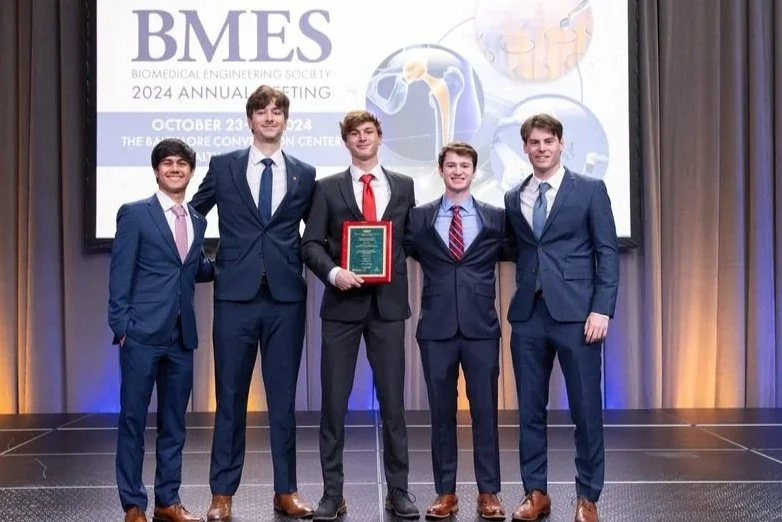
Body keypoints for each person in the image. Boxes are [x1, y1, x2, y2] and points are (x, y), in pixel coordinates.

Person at [189, 85, 316, 520]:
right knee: (229, 398)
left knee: (283, 400)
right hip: (234, 298)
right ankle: (222, 494)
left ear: (285, 120)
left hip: (285, 300)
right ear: (250, 119)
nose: (269, 117)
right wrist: (204, 265)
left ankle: (286, 490)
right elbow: (192, 214)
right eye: (261, 111)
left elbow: (315, 234)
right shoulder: (224, 166)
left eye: (277, 111)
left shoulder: (304, 172)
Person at [302, 110, 419, 521]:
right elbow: (311, 244)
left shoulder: (403, 186)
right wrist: (334, 272)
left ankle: (399, 491)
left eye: (369, 132)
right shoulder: (327, 188)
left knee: (393, 406)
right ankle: (333, 494)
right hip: (341, 308)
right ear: (346, 142)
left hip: (387, 308)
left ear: (379, 137)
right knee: (333, 405)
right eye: (355, 134)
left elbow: (409, 241)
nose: (362, 138)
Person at [503, 113, 619, 522]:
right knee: (530, 411)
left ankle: (587, 497)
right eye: (534, 142)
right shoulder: (514, 196)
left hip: (578, 316)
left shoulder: (589, 189)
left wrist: (602, 307)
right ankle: (536, 493)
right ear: (526, 148)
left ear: (561, 144)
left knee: (586, 411)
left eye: (548, 141)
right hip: (529, 316)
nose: (542, 148)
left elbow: (606, 251)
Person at [405, 142, 514, 521]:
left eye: (464, 165)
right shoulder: (418, 218)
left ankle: (489, 493)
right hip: (435, 328)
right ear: (441, 170)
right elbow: (411, 253)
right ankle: (445, 492)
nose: (457, 171)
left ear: (473, 170)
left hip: (481, 327)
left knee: (485, 413)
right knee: (441, 415)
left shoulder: (496, 218)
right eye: (450, 165)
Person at [108, 138, 214, 522]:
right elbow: (120, 276)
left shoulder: (198, 219)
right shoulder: (135, 214)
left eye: (182, 163)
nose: (174, 168)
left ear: (190, 171)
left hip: (182, 338)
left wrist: (236, 262)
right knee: (133, 421)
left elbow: (195, 268)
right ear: (156, 170)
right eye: (167, 163)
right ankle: (134, 505)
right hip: (141, 336)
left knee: (175, 424)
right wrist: (121, 327)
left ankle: (168, 501)